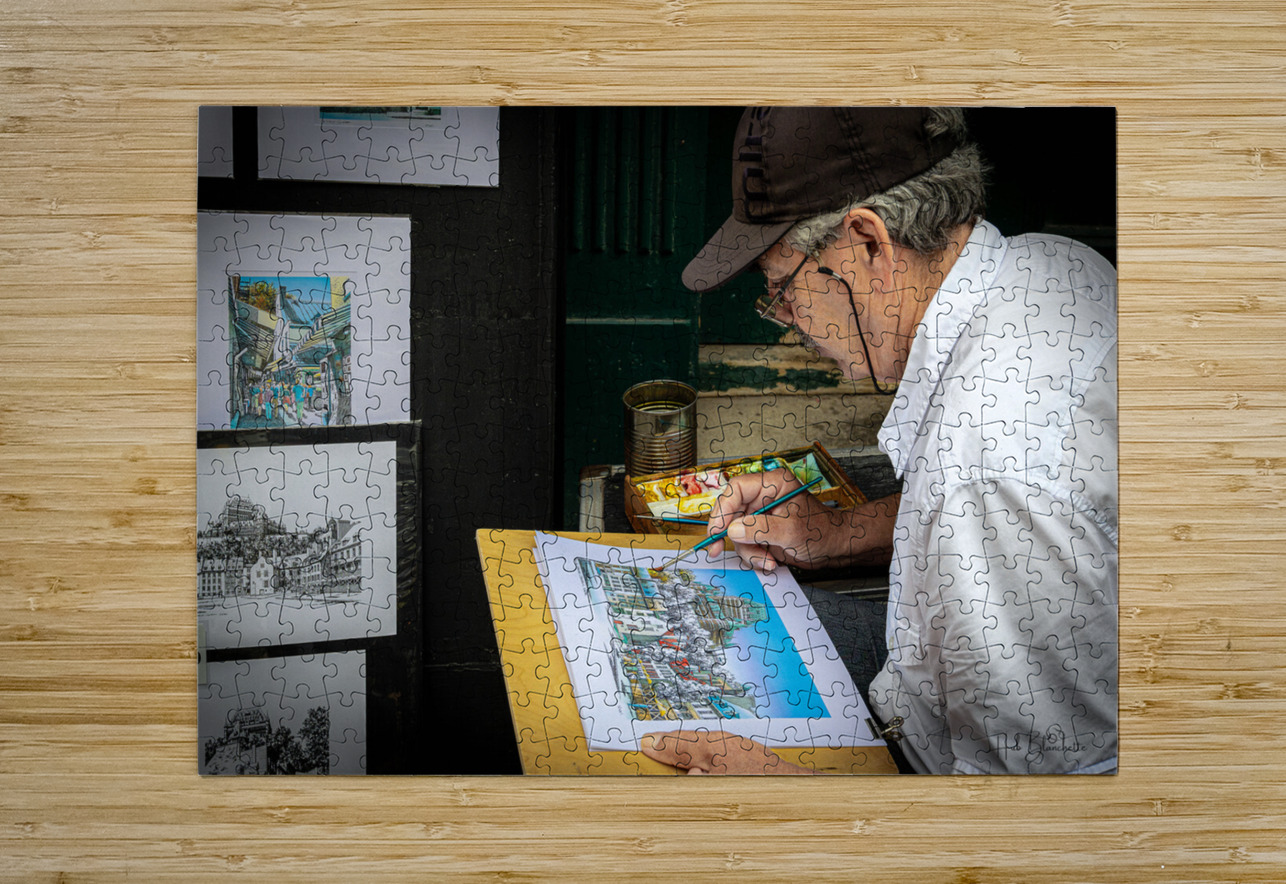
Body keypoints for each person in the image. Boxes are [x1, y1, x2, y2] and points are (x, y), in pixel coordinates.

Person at [641, 107, 1117, 775]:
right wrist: (839, 532)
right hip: (925, 686)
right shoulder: (1047, 264)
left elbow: (1036, 826)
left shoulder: (987, 469)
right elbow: (991, 515)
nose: (787, 324)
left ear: (868, 242)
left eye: (783, 290)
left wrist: (789, 797)